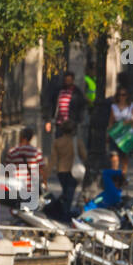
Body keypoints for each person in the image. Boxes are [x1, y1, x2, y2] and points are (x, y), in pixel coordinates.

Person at [43, 71, 87, 212]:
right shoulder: (58, 91)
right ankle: (64, 210)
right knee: (69, 192)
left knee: (67, 192)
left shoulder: (77, 93)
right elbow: (84, 155)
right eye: (66, 79)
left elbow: (53, 157)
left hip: (63, 170)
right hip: (73, 170)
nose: (67, 82)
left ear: (72, 80)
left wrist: (46, 174)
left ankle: (63, 209)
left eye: (69, 80)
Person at [3, 126, 46, 209]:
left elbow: (7, 170)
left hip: (16, 186)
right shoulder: (36, 151)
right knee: (29, 207)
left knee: (17, 205)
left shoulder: (13, 151)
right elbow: (42, 170)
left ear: (21, 136)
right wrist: (44, 183)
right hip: (31, 187)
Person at [108, 87, 133, 173]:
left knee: (124, 157)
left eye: (123, 95)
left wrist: (129, 121)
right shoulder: (113, 107)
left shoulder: (132, 107)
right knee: (114, 156)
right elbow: (111, 121)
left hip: (126, 134)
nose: (121, 97)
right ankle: (114, 175)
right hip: (116, 134)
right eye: (119, 95)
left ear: (127, 96)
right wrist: (108, 133)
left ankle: (123, 175)